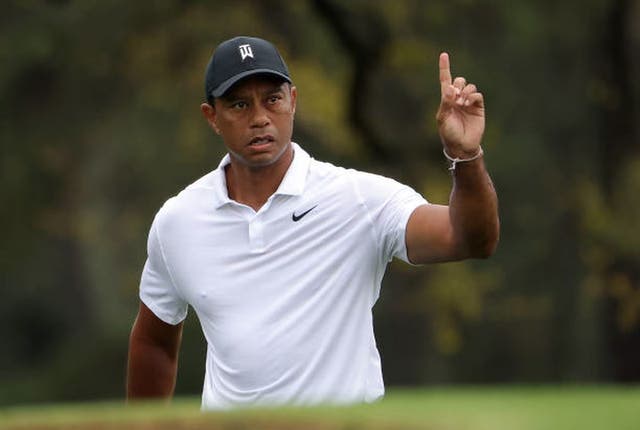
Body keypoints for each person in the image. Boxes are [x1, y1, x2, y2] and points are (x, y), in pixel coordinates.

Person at [126, 36, 499, 410]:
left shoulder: (359, 199)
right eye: (239, 104)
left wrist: (465, 156)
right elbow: (154, 341)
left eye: (272, 99)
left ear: (293, 101)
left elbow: (467, 239)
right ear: (212, 117)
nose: (259, 118)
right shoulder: (178, 221)